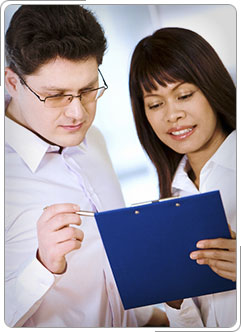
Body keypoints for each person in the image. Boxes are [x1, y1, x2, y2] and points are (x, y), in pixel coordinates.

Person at [4, 5, 168, 327]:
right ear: (12, 82)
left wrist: (158, 318)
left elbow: (111, 272)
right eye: (55, 96)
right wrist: (43, 265)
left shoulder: (95, 141)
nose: (78, 114)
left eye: (88, 90)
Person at [129, 27, 236, 327]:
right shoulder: (174, 195)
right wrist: (175, 297)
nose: (172, 115)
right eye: (155, 104)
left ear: (212, 87)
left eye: (184, 95)